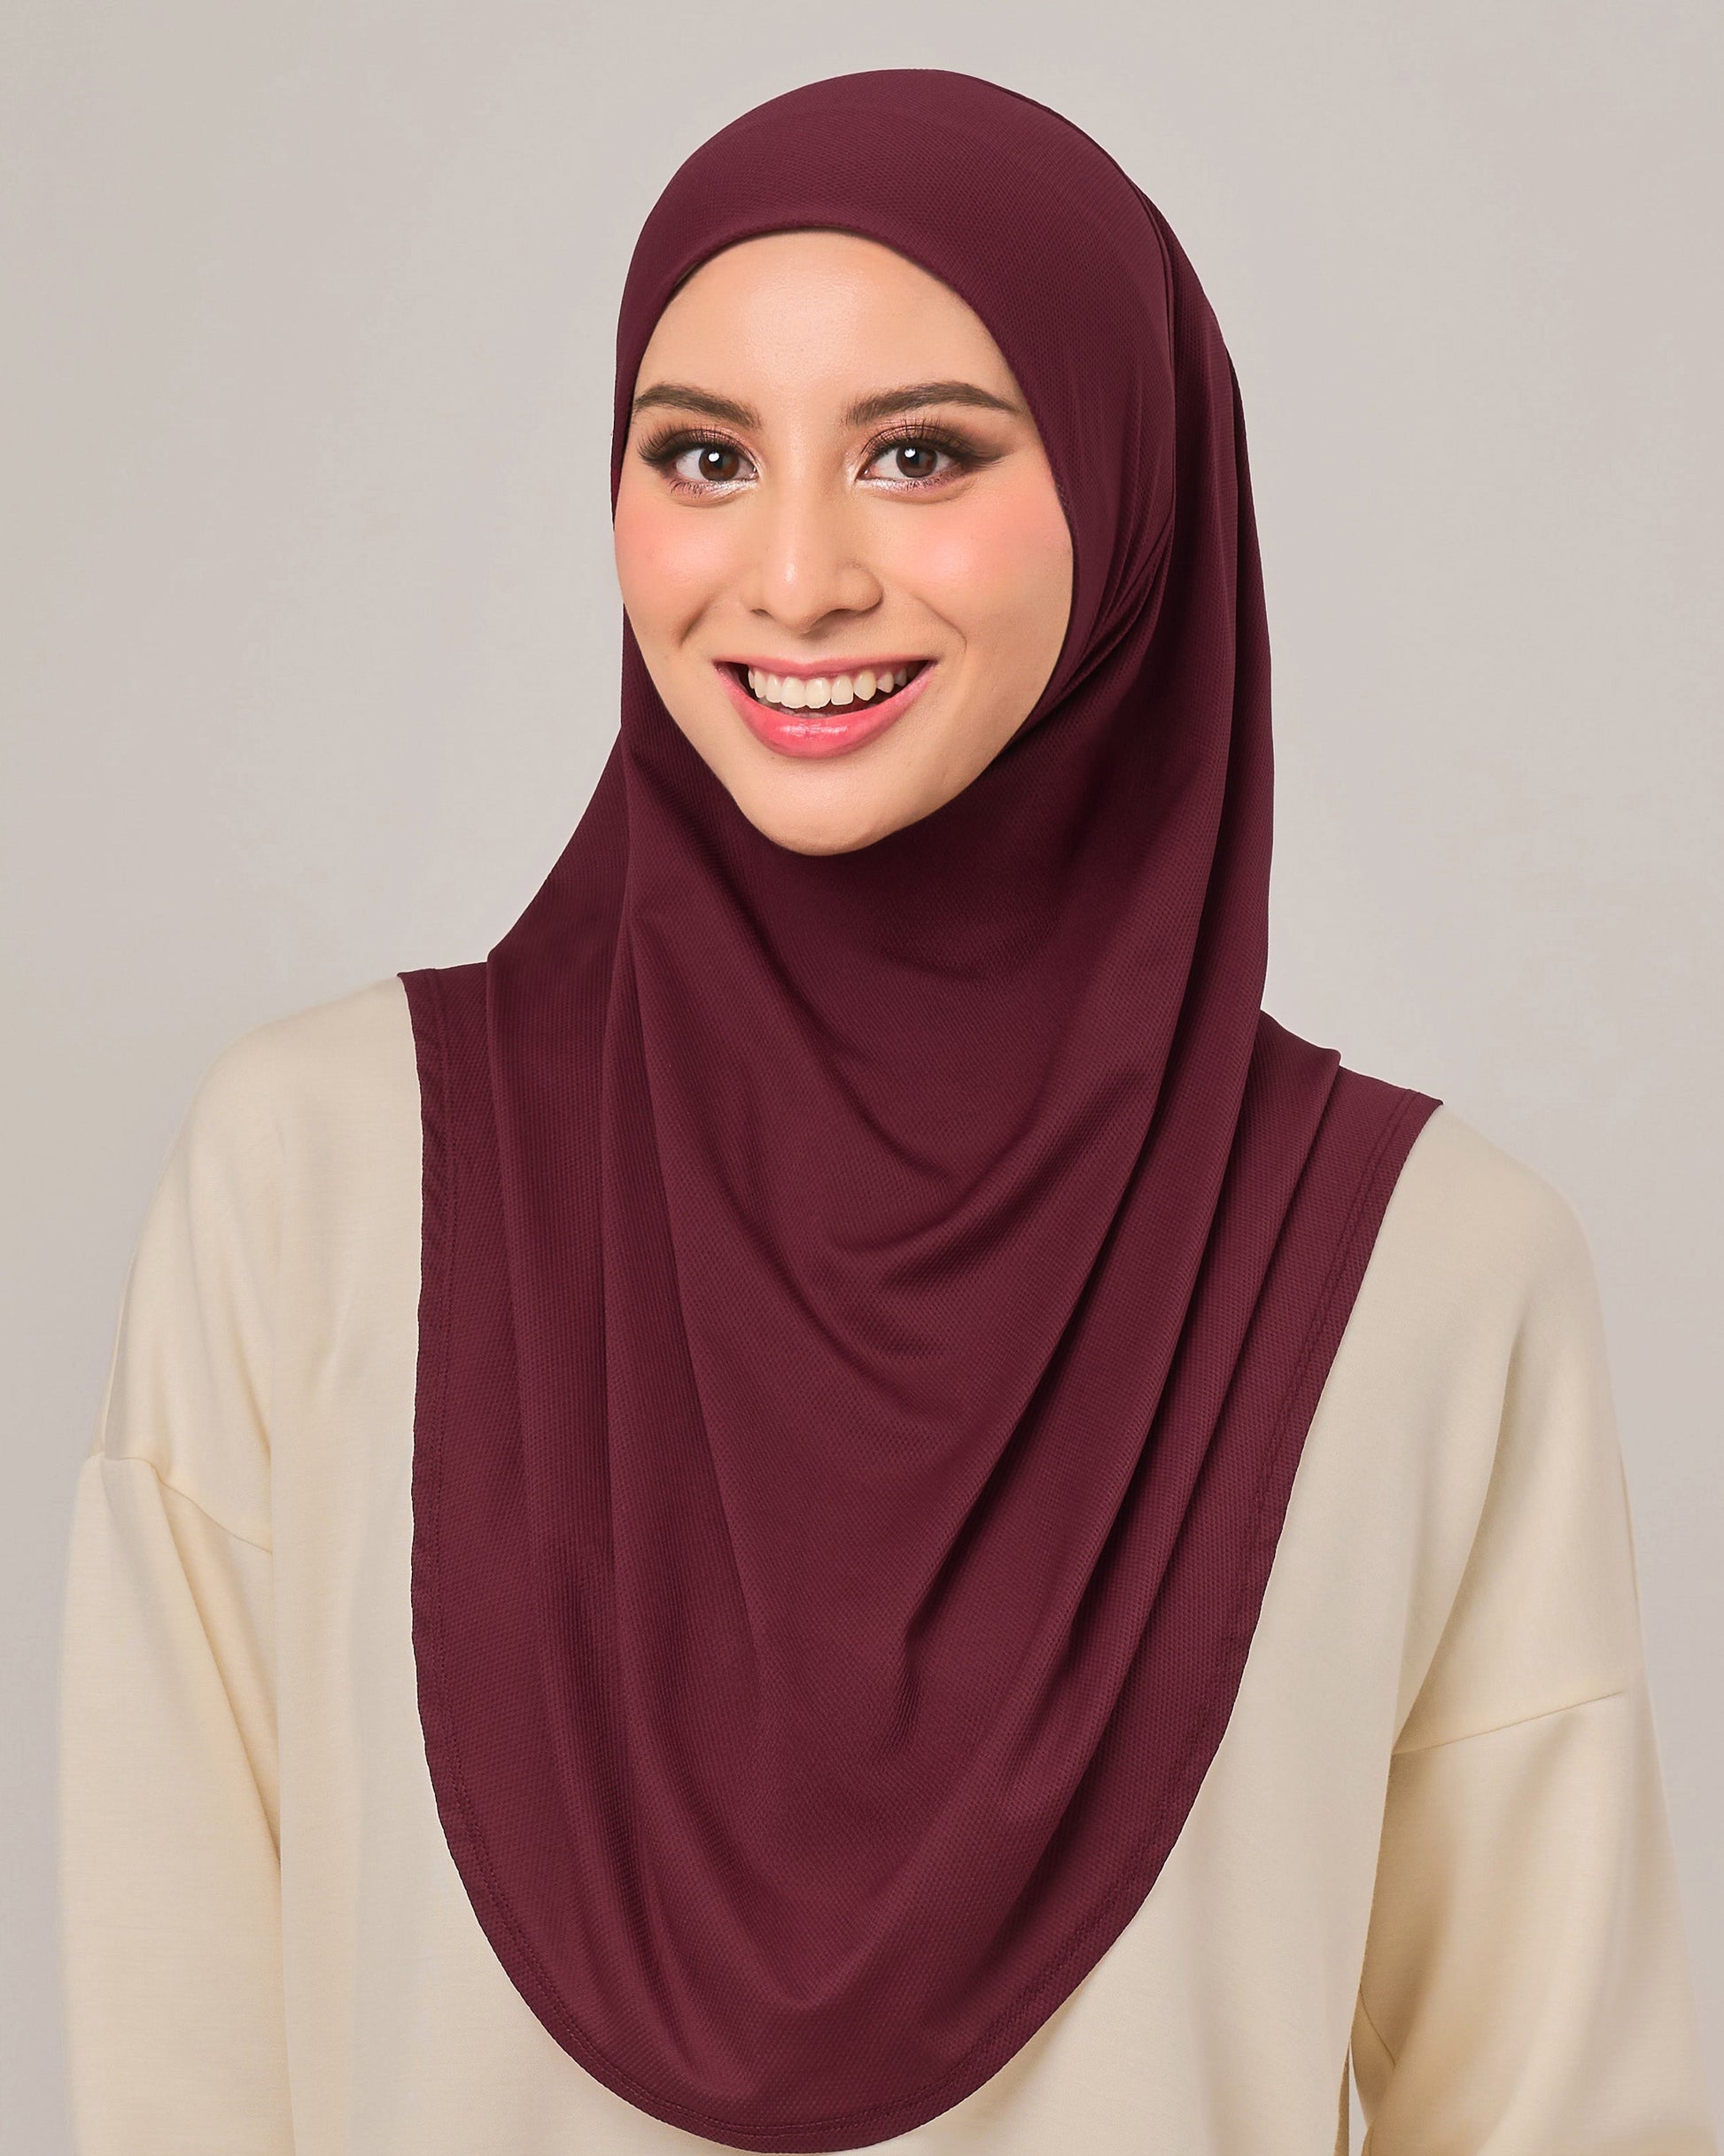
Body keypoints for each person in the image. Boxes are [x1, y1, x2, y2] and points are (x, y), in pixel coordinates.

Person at [58, 67, 1716, 2156]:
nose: (794, 575)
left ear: (1127, 492)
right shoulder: (316, 1178)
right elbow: (178, 2067)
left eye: (918, 452)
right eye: (704, 454)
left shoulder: (1428, 1273)